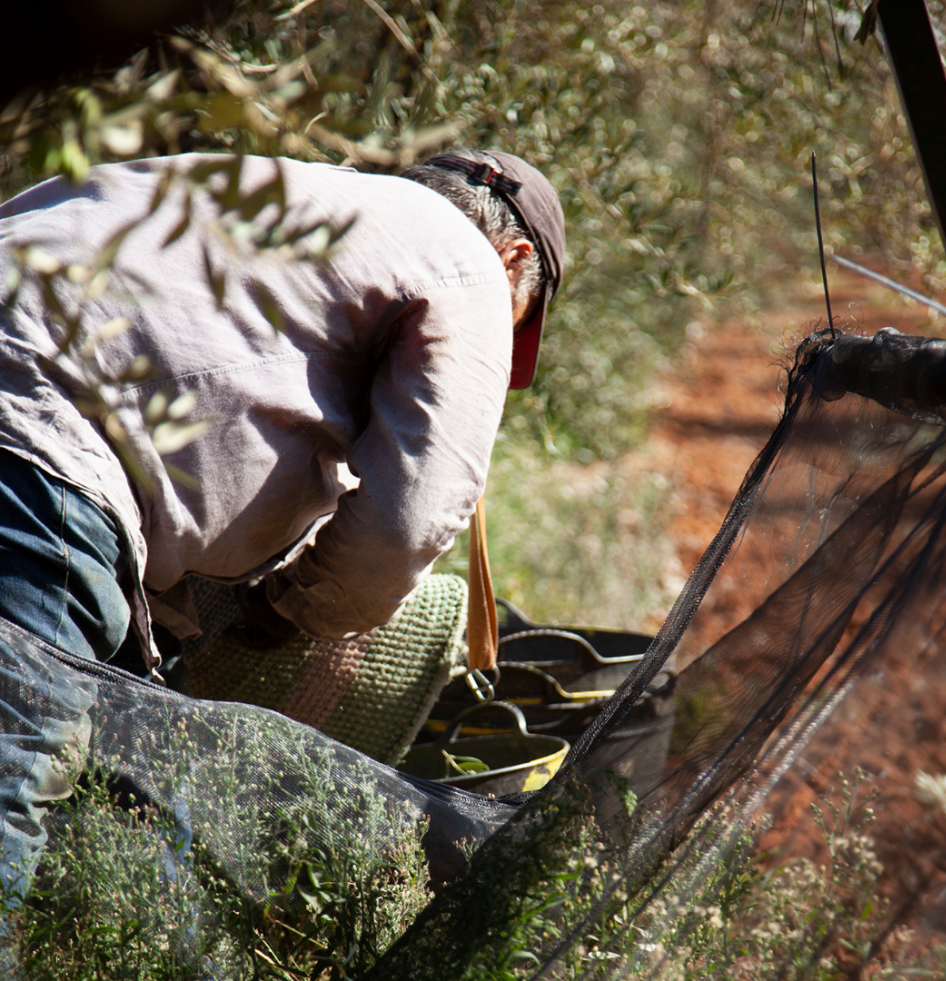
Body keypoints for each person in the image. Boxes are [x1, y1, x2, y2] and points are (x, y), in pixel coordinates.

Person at [0, 148, 565, 899]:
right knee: (12, 782)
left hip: (42, 442)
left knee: (131, 817)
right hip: (35, 462)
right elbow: (406, 525)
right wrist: (290, 605)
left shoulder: (267, 185)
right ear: (515, 258)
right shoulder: (469, 265)